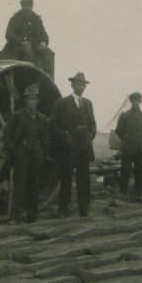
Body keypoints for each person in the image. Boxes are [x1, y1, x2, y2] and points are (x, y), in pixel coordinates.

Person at [1, 84, 50, 223]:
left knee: (34, 185)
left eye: (34, 99)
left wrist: (43, 154)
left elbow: (46, 139)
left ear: (37, 101)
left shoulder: (42, 119)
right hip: (21, 155)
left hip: (36, 156)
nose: (31, 102)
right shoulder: (17, 116)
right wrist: (15, 151)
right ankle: (15, 216)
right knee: (19, 185)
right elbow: (7, 136)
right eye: (29, 99)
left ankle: (32, 215)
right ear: (25, 101)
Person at [50, 72, 96, 217]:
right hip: (68, 147)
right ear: (72, 85)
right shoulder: (62, 103)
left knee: (84, 179)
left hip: (84, 146)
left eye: (83, 84)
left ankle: (84, 210)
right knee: (66, 178)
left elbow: (93, 125)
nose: (80, 87)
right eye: (78, 84)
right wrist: (65, 137)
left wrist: (90, 136)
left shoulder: (88, 103)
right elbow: (53, 124)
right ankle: (63, 210)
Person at [3, 0, 55, 77]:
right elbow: (8, 35)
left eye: (29, 6)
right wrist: (21, 41)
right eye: (25, 6)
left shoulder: (36, 19)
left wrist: (43, 42)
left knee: (48, 52)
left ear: (32, 6)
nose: (27, 8)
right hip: (17, 47)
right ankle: (30, 74)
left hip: (34, 46)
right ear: (21, 7)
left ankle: (47, 76)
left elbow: (43, 34)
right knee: (27, 49)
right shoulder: (15, 19)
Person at [116, 91, 142, 201]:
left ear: (140, 101)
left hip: (140, 148)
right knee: (125, 170)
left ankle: (139, 194)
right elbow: (119, 131)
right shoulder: (125, 115)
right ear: (130, 101)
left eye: (137, 100)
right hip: (127, 148)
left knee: (140, 171)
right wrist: (127, 139)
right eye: (133, 100)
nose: (135, 102)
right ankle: (123, 193)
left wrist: (139, 139)